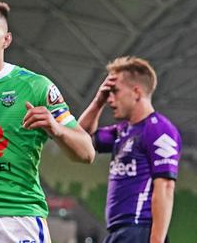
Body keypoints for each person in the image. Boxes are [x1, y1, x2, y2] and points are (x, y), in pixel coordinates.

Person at [0, 0, 95, 243]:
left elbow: (86, 152)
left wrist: (56, 129)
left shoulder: (35, 87)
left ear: (6, 39)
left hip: (18, 217)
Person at [78, 56, 181, 243]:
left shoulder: (159, 130)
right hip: (119, 232)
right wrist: (98, 101)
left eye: (114, 91)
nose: (110, 99)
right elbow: (80, 138)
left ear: (136, 92)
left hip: (139, 230)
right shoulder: (122, 131)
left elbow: (165, 187)